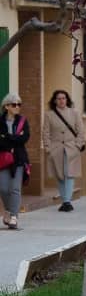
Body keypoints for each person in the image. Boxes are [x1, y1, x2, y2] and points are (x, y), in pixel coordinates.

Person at [42, 89, 86, 211]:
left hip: (71, 148)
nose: (62, 100)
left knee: (69, 174)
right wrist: (48, 148)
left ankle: (67, 201)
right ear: (55, 101)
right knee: (60, 175)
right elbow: (45, 132)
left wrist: (78, 145)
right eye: (59, 98)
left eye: (64, 98)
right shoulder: (49, 114)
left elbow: (81, 131)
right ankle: (64, 201)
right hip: (56, 149)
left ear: (67, 100)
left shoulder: (74, 113)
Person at [0, 92, 30, 229]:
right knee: (3, 188)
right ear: (6, 106)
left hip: (19, 158)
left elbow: (25, 138)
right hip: (3, 159)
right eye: (14, 104)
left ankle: (13, 216)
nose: (17, 107)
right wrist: (14, 138)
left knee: (15, 188)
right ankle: (8, 210)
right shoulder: (0, 121)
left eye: (19, 104)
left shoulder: (23, 121)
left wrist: (7, 137)